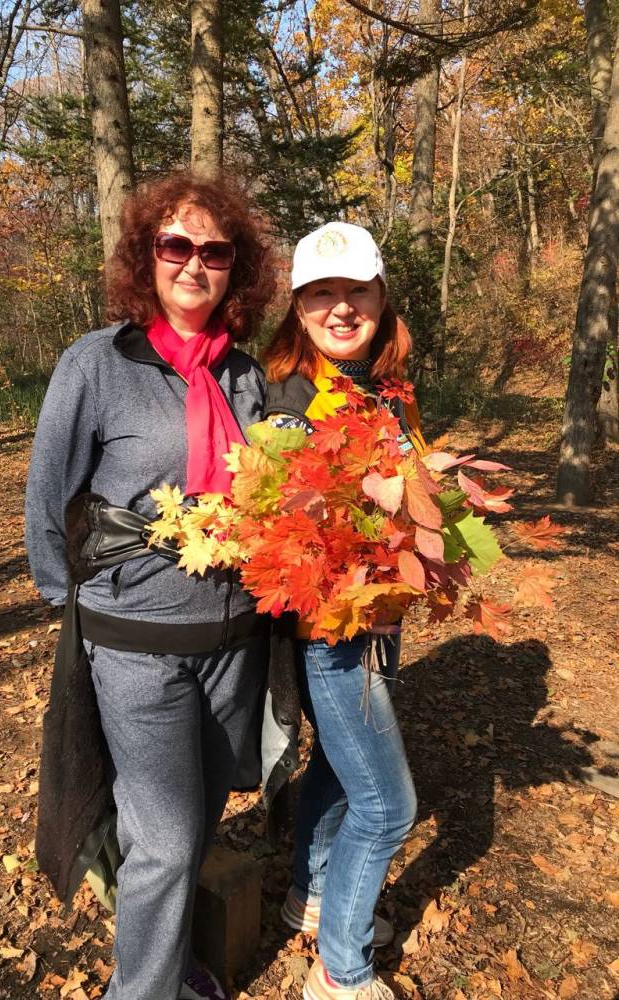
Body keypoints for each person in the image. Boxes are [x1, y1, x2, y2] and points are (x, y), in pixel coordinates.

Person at [25, 173, 275, 1000]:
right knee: (165, 840)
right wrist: (71, 606)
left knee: (194, 820)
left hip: (231, 643)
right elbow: (49, 495)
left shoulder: (245, 377)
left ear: (236, 269)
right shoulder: (97, 364)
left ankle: (171, 967)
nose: (194, 263)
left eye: (215, 251)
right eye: (176, 245)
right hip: (135, 642)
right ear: (147, 256)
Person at [262, 222, 422, 1000]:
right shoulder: (292, 398)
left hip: (378, 621)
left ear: (381, 296)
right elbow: (281, 518)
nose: (340, 307)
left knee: (335, 762)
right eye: (320, 293)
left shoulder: (386, 387)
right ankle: (341, 971)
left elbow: (412, 490)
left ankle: (315, 894)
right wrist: (369, 503)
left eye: (355, 289)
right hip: (329, 634)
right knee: (388, 808)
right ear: (298, 308)